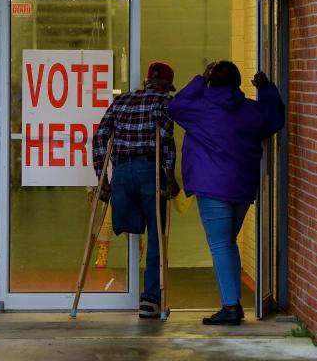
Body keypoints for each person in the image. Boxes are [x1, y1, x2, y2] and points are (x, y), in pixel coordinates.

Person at [167, 60, 285, 325]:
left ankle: (230, 307)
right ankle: (234, 304)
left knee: (220, 245)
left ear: (211, 81)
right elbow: (275, 119)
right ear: (237, 83)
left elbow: (174, 106)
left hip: (212, 187)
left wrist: (199, 79)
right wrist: (266, 89)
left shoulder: (199, 107)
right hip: (242, 187)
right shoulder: (251, 111)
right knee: (227, 244)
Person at [92, 61, 180, 318]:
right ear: (164, 84)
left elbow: (100, 137)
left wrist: (102, 177)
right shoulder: (163, 103)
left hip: (121, 173)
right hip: (148, 172)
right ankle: (149, 300)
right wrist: (170, 176)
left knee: (127, 223)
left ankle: (128, 229)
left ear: (146, 80)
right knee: (156, 235)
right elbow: (166, 142)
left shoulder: (121, 102)